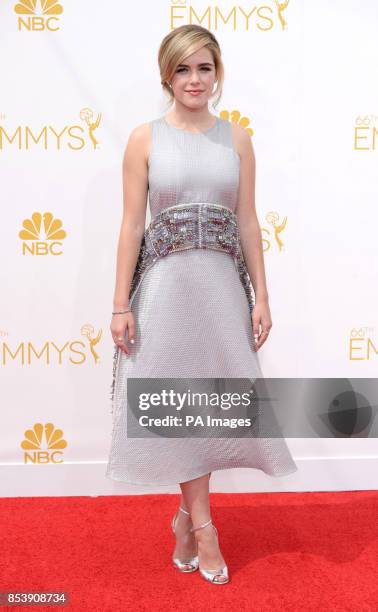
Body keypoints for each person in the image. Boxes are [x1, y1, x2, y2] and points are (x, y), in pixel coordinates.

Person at [106, 24, 298, 585]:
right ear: (167, 75)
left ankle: (187, 518)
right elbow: (130, 226)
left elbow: (247, 222)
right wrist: (120, 305)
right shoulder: (145, 139)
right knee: (177, 407)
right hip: (164, 292)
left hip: (219, 291)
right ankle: (204, 528)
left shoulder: (236, 139)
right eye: (184, 69)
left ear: (218, 74)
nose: (196, 80)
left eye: (205, 68)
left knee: (208, 409)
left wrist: (261, 295)